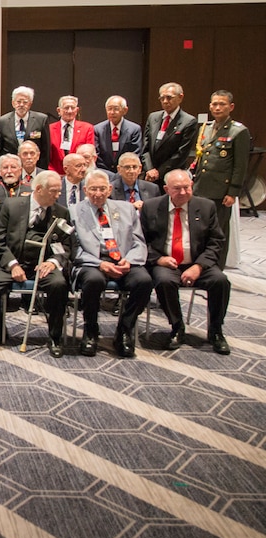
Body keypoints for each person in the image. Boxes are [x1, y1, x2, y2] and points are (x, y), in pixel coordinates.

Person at [0, 170, 74, 357]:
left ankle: (55, 336)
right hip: (13, 261)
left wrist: (53, 261)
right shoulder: (12, 206)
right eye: (54, 191)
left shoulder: (61, 211)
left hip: (43, 265)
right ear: (39, 189)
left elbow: (66, 245)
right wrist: (13, 265)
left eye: (59, 191)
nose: (58, 195)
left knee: (59, 285)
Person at [141, 170, 231, 354]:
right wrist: (159, 259)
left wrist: (199, 266)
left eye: (186, 187)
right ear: (166, 189)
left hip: (199, 262)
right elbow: (141, 241)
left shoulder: (206, 207)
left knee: (220, 281)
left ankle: (216, 330)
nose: (183, 192)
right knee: (164, 281)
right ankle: (177, 326)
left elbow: (216, 242)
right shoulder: (151, 207)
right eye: (177, 189)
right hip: (165, 262)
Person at [71, 170, 151, 358]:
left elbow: (139, 241)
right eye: (92, 189)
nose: (97, 193)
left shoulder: (126, 209)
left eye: (101, 189)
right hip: (92, 262)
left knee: (144, 281)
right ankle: (90, 330)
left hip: (123, 260)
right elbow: (74, 248)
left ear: (109, 189)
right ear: (85, 190)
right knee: (93, 282)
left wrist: (128, 261)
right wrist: (100, 264)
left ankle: (124, 329)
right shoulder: (74, 211)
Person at [192, 89, 250, 269]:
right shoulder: (206, 128)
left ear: (231, 107)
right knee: (200, 229)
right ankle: (200, 264)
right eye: (214, 104)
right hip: (201, 187)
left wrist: (233, 192)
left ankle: (217, 267)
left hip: (220, 191)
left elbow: (240, 166)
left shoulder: (238, 131)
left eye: (222, 104)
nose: (217, 108)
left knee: (218, 231)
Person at [142, 82, 197, 184]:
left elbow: (181, 154)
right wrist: (149, 169)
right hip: (149, 175)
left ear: (180, 97)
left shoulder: (188, 121)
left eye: (169, 98)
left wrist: (159, 172)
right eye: (162, 98)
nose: (165, 101)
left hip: (172, 175)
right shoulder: (153, 117)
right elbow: (146, 147)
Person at [0, 86, 50, 170]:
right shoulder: (3, 121)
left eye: (25, 102)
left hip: (34, 168)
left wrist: (42, 171)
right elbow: (0, 149)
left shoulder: (41, 119)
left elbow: (45, 149)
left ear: (30, 104)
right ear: (13, 103)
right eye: (18, 102)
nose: (21, 105)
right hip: (11, 168)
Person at [94, 96, 143, 173]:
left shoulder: (134, 129)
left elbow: (135, 153)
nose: (112, 112)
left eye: (116, 109)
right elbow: (96, 154)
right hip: (103, 172)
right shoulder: (98, 129)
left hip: (126, 172)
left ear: (125, 110)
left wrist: (122, 170)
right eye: (109, 109)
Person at [48, 96, 95, 175]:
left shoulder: (87, 128)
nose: (70, 111)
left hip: (79, 174)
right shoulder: (49, 129)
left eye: (72, 108)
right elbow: (46, 154)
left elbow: (89, 155)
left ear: (77, 110)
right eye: (66, 108)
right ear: (59, 110)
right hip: (55, 174)